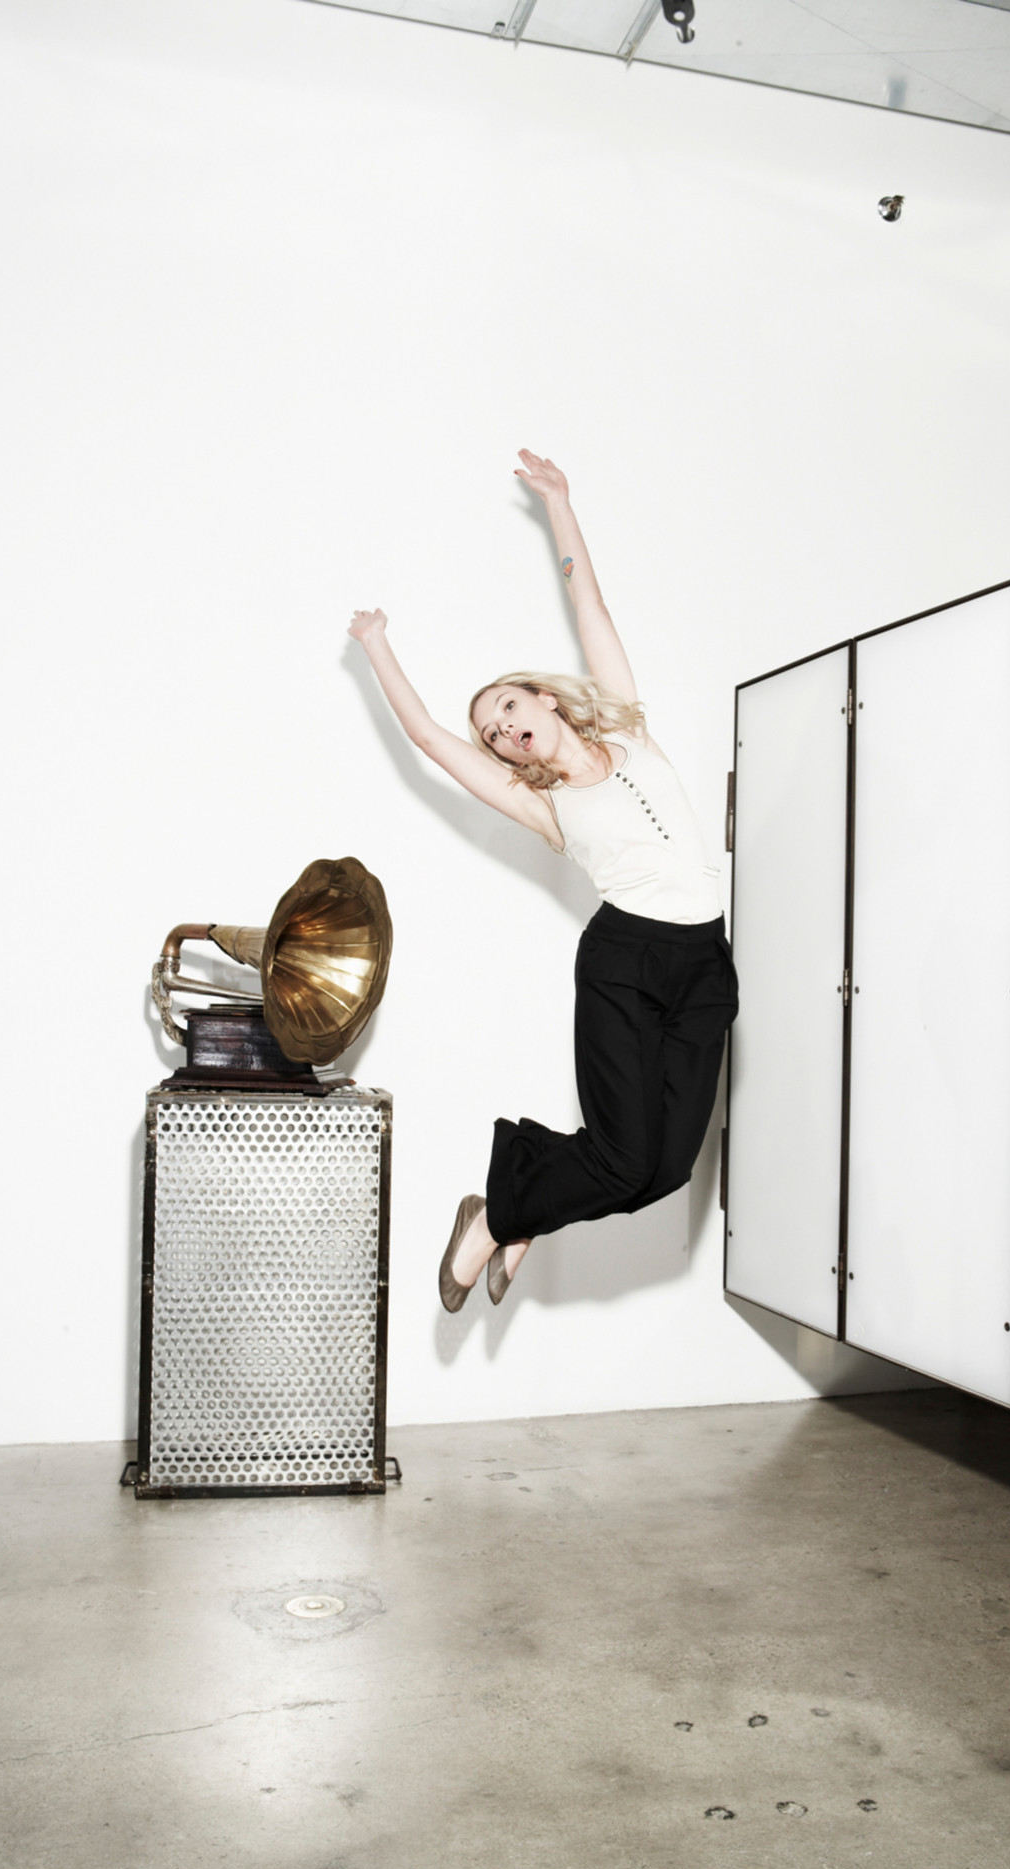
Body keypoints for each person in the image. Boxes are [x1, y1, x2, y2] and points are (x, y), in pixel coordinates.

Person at [347, 449, 738, 1312]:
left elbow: (588, 603)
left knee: (665, 1172)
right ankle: (496, 1218)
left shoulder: (628, 725)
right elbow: (430, 740)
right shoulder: (545, 805)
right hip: (626, 964)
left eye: (507, 708)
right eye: (492, 733)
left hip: (705, 964)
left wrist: (560, 502)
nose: (501, 730)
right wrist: (377, 647)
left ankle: (514, 1198)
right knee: (624, 1161)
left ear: (543, 698)